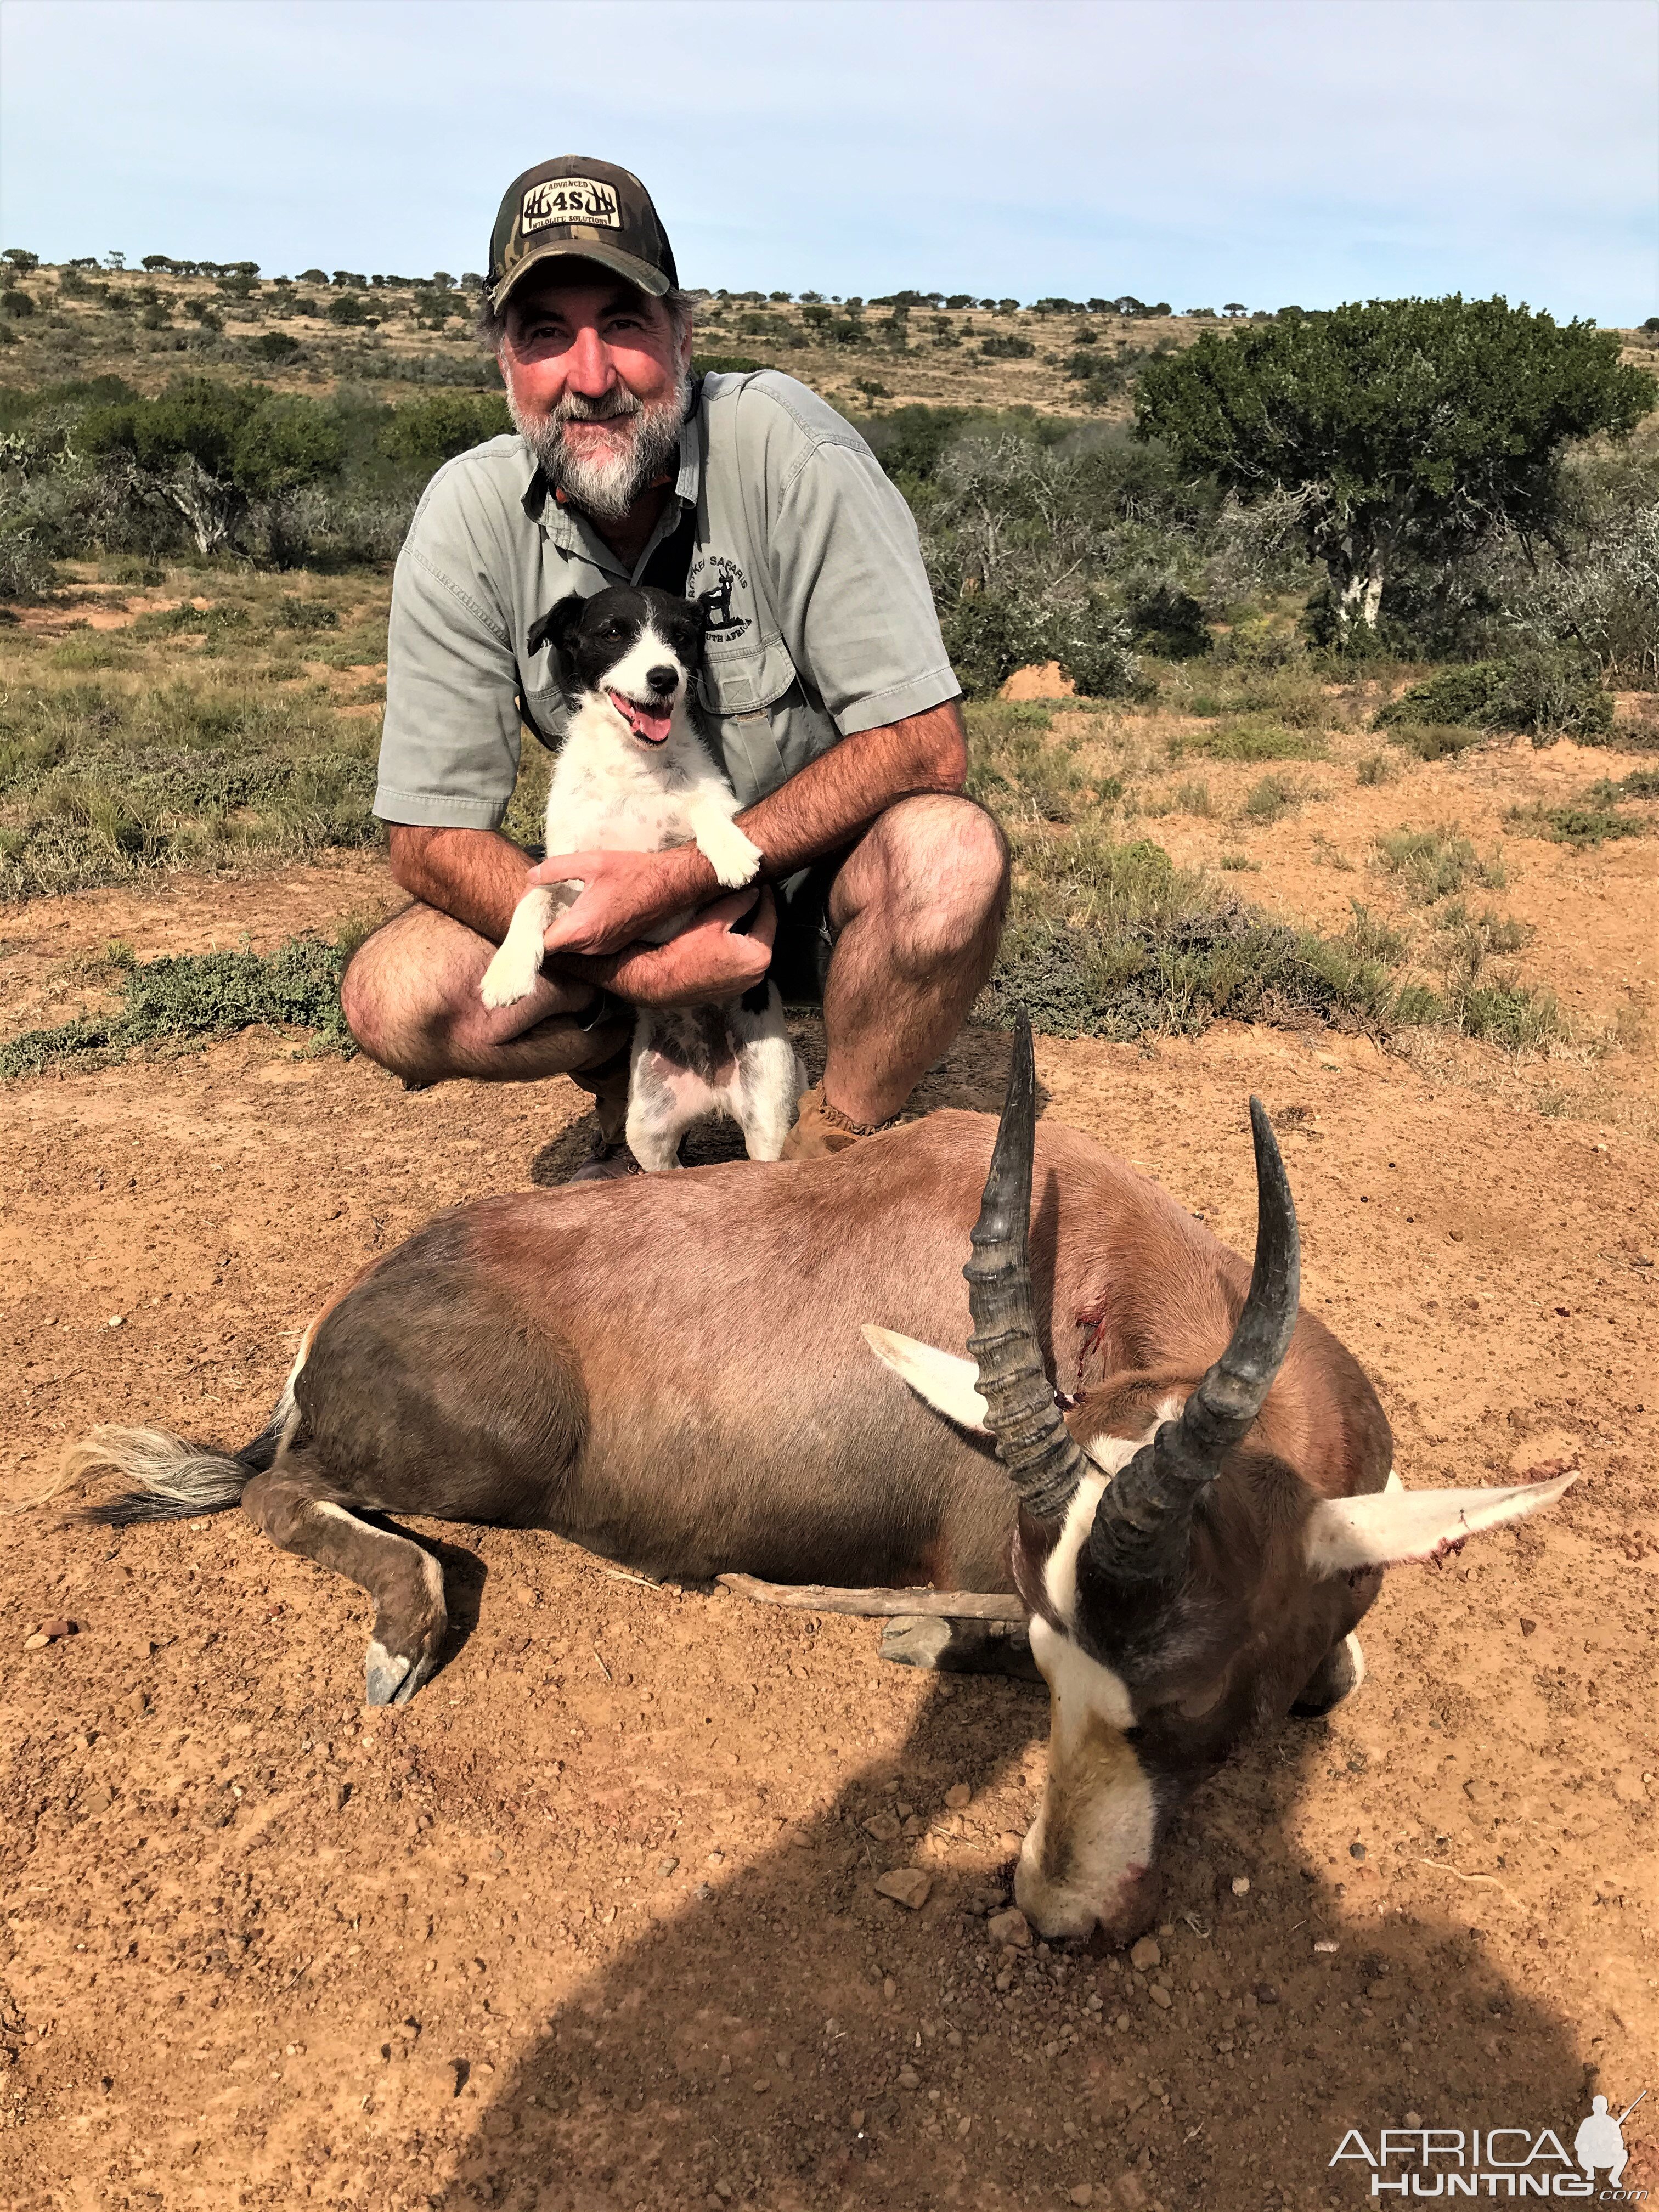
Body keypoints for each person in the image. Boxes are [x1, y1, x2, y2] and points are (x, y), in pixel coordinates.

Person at [342, 156, 1009, 1176]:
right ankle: (630, 1075)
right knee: (397, 996)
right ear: (505, 364)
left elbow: (926, 745)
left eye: (625, 323)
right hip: (608, 907)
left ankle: (838, 1138)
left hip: (806, 880)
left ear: (684, 336)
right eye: (546, 334)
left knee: (951, 860)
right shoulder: (465, 517)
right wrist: (631, 956)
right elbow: (429, 839)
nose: (592, 373)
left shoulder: (791, 452)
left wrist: (685, 877)